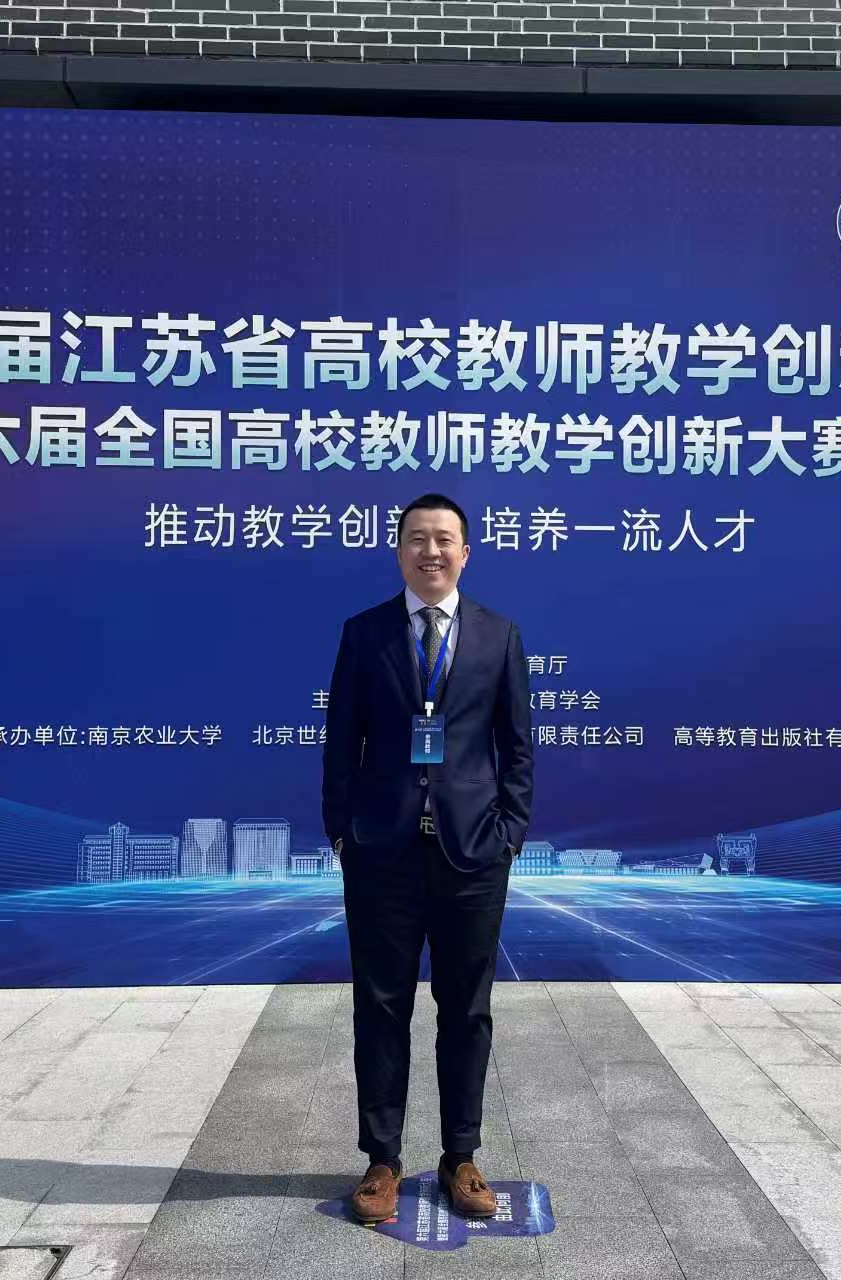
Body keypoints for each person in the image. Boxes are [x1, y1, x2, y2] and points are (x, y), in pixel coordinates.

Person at [321, 492, 534, 1225]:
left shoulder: (498, 635)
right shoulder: (365, 633)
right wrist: (342, 832)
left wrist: (510, 833)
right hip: (381, 852)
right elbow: (340, 742)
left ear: (465, 552)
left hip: (472, 853)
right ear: (399, 551)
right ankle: (382, 1160)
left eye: (444, 539)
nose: (431, 551)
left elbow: (516, 746)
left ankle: (461, 1155)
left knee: (466, 1008)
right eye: (417, 538)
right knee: (380, 1005)